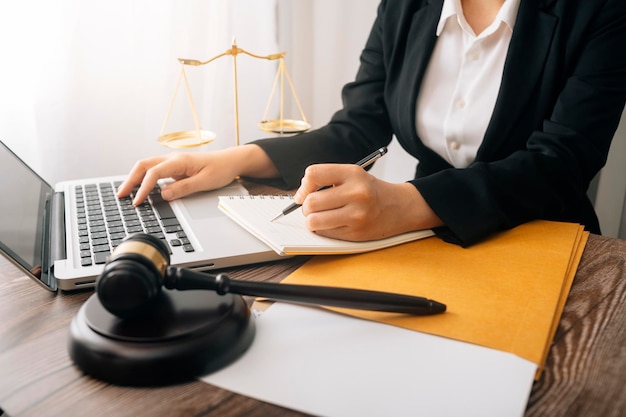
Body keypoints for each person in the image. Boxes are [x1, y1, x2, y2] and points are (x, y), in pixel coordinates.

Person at [118, 0, 626, 247]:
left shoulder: (602, 11)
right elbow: (361, 124)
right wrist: (230, 160)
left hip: (541, 233)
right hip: (426, 234)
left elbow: (561, 162)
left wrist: (405, 202)